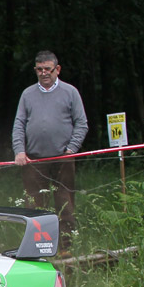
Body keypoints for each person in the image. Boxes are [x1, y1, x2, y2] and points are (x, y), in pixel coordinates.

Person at [12, 51, 88, 252]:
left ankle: (66, 249)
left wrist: (71, 149)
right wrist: (20, 150)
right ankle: (38, 249)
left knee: (65, 205)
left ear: (57, 69)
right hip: (33, 160)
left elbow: (82, 123)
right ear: (35, 70)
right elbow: (19, 124)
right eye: (39, 69)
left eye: (48, 69)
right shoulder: (27, 94)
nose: (44, 73)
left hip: (63, 158)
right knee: (35, 207)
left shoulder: (70, 92)